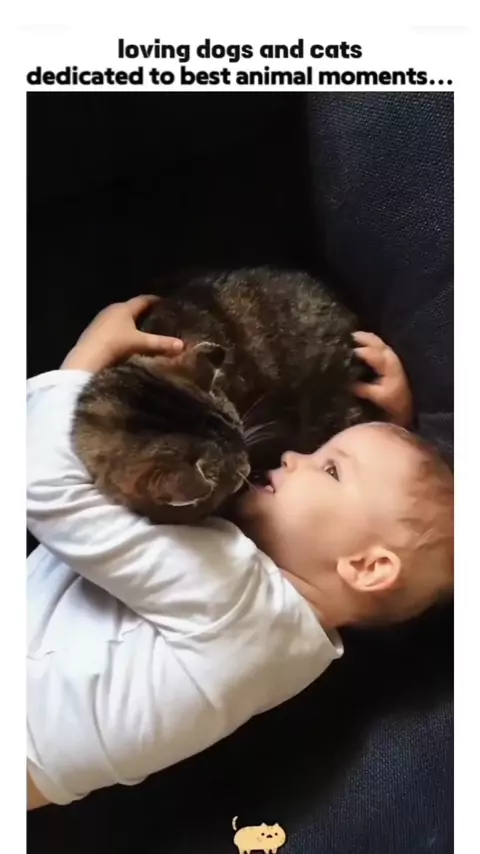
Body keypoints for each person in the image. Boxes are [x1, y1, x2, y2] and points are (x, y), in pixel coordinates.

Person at [27, 296, 453, 810]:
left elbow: (41, 480)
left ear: (367, 567)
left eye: (331, 468)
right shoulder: (291, 643)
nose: (293, 456)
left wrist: (84, 360)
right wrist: (392, 428)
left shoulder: (232, 599)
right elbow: (363, 523)